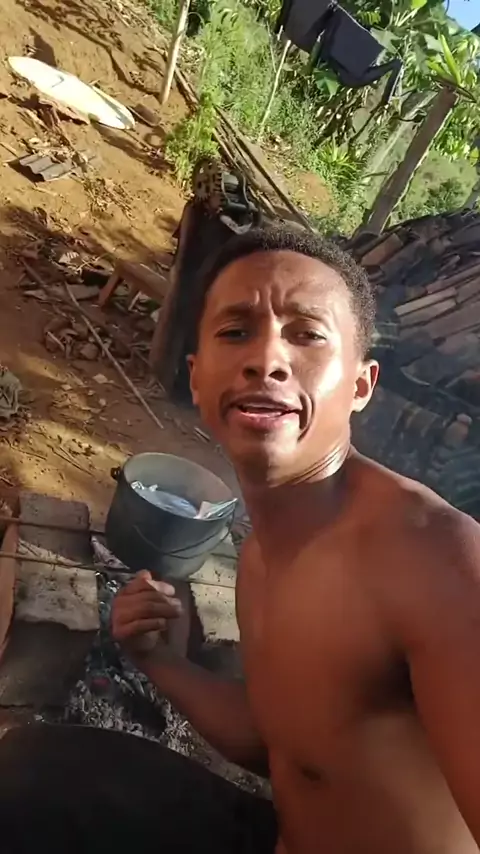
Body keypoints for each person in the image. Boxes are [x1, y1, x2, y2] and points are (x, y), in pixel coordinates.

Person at [0, 225, 479, 854]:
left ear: (360, 386)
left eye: (306, 334)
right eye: (235, 332)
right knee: (35, 768)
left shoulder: (437, 560)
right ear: (197, 379)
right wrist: (162, 661)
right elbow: (283, 744)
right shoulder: (261, 553)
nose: (266, 359)